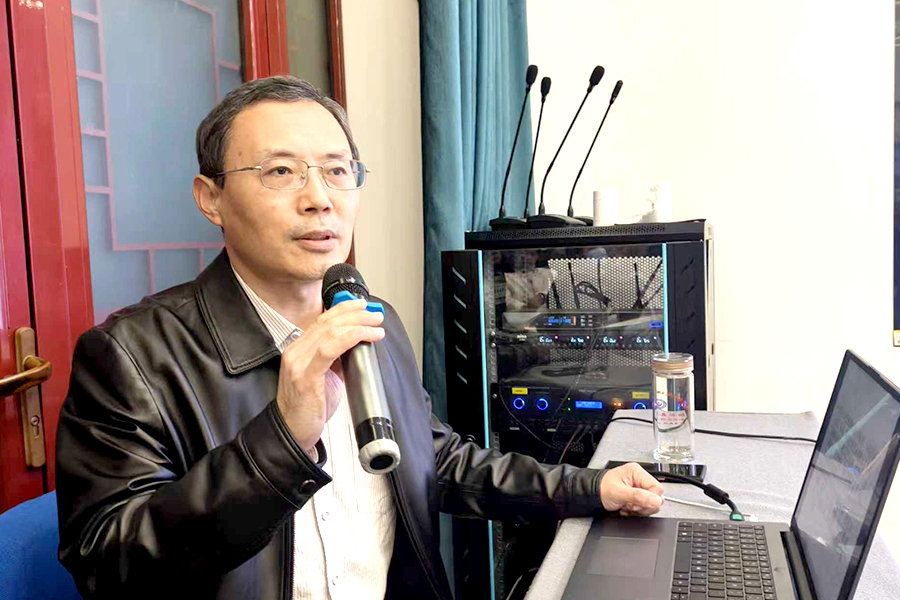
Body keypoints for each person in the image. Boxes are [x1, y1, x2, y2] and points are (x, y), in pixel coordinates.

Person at [55, 76, 664, 600]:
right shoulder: (131, 358)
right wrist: (281, 440)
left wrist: (588, 486)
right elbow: (108, 567)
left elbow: (435, 459)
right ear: (210, 198)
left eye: (337, 171)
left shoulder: (375, 321)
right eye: (280, 172)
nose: (319, 199)